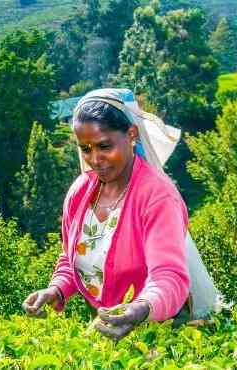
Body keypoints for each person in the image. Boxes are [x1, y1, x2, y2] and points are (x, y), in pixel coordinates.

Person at [22, 88, 221, 340]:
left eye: (105, 146)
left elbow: (169, 276)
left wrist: (139, 309)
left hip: (160, 328)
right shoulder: (81, 192)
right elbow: (72, 257)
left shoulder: (156, 197)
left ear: (131, 134)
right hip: (111, 326)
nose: (95, 159)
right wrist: (56, 289)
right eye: (86, 148)